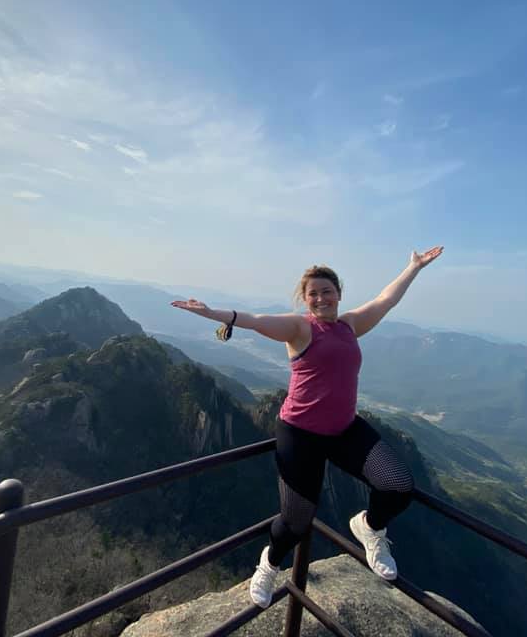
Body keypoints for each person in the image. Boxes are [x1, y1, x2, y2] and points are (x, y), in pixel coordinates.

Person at [171, 247, 443, 608]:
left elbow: (385, 300)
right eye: (313, 293)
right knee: (297, 522)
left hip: (345, 429)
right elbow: (252, 318)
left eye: (327, 291)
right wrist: (212, 313)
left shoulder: (350, 325)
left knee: (397, 485)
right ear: (305, 299)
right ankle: (269, 564)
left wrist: (413, 267)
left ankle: (370, 527)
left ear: (339, 294)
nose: (320, 298)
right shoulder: (299, 328)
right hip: (299, 433)